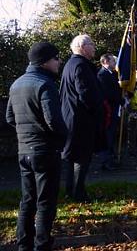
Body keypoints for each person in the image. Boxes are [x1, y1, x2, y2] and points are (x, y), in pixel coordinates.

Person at [5, 42, 67, 251]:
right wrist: (63, 137)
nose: (59, 62)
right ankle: (42, 245)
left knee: (27, 201)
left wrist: (27, 133)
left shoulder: (16, 84)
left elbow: (10, 117)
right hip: (45, 151)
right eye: (56, 58)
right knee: (46, 203)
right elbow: (54, 122)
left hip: (24, 151)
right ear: (45, 61)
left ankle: (24, 245)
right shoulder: (45, 84)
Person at [60, 34, 103, 203]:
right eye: (92, 44)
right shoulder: (81, 66)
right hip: (81, 120)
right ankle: (79, 193)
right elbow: (86, 94)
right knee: (81, 157)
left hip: (71, 117)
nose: (94, 47)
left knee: (72, 157)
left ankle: (71, 190)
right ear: (83, 47)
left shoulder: (71, 64)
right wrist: (96, 110)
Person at [97, 53, 122, 170]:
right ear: (106, 62)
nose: (115, 63)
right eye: (113, 61)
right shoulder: (102, 75)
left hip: (114, 108)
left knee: (112, 134)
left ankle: (111, 159)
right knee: (107, 135)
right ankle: (105, 161)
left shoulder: (113, 74)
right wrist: (120, 100)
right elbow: (108, 93)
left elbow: (117, 90)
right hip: (108, 110)